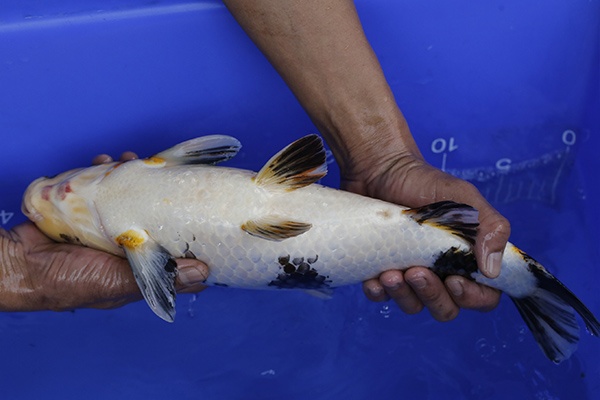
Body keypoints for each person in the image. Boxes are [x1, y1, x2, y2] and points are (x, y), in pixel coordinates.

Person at [0, 0, 508, 320]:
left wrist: (385, 158)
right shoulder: (133, 227)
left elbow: (219, 150)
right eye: (62, 227)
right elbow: (219, 150)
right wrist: (14, 276)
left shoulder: (138, 202)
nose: (46, 204)